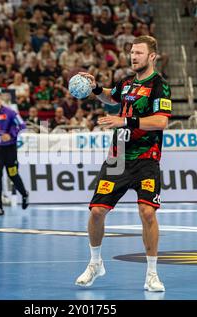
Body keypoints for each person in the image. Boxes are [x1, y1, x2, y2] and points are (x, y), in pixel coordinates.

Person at [75, 36, 171, 291]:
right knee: (96, 211)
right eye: (131, 52)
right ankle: (95, 263)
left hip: (146, 158)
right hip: (118, 159)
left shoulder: (159, 85)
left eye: (139, 52)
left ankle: (151, 274)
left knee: (147, 212)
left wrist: (125, 122)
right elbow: (112, 98)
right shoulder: (127, 83)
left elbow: (161, 122)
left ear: (152, 56)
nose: (133, 56)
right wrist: (97, 90)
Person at [0, 92, 29, 216]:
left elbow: (22, 125)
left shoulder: (10, 113)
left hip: (9, 149)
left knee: (12, 174)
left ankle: (24, 194)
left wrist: (11, 134)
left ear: (1, 100)